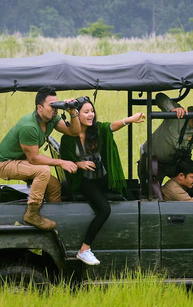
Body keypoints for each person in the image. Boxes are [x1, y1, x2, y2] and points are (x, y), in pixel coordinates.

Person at [60, 99, 145, 265]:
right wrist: (79, 164)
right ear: (76, 114)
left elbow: (111, 126)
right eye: (86, 112)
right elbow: (65, 162)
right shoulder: (68, 138)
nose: (90, 115)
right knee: (104, 209)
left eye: (92, 111)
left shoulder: (97, 130)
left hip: (101, 176)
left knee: (125, 190)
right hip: (83, 181)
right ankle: (84, 249)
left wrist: (130, 119)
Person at [0, 86, 81, 231]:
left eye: (57, 104)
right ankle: (32, 214)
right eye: (51, 106)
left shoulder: (51, 119)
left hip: (20, 160)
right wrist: (61, 162)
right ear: (39, 107)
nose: (55, 109)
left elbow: (74, 131)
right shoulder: (29, 126)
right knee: (43, 171)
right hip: (4, 164)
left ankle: (56, 220)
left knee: (54, 186)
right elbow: (33, 159)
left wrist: (73, 113)